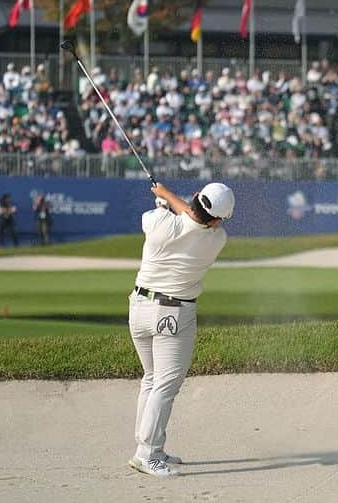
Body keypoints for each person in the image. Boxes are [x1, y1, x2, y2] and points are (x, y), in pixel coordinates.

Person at [127, 180, 234, 477]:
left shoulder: (159, 221)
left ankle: (152, 446)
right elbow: (192, 216)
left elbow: (180, 214)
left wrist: (163, 198)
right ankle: (146, 454)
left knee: (151, 379)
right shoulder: (217, 239)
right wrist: (168, 197)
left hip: (139, 307)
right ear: (218, 219)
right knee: (165, 384)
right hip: (172, 316)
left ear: (197, 195)